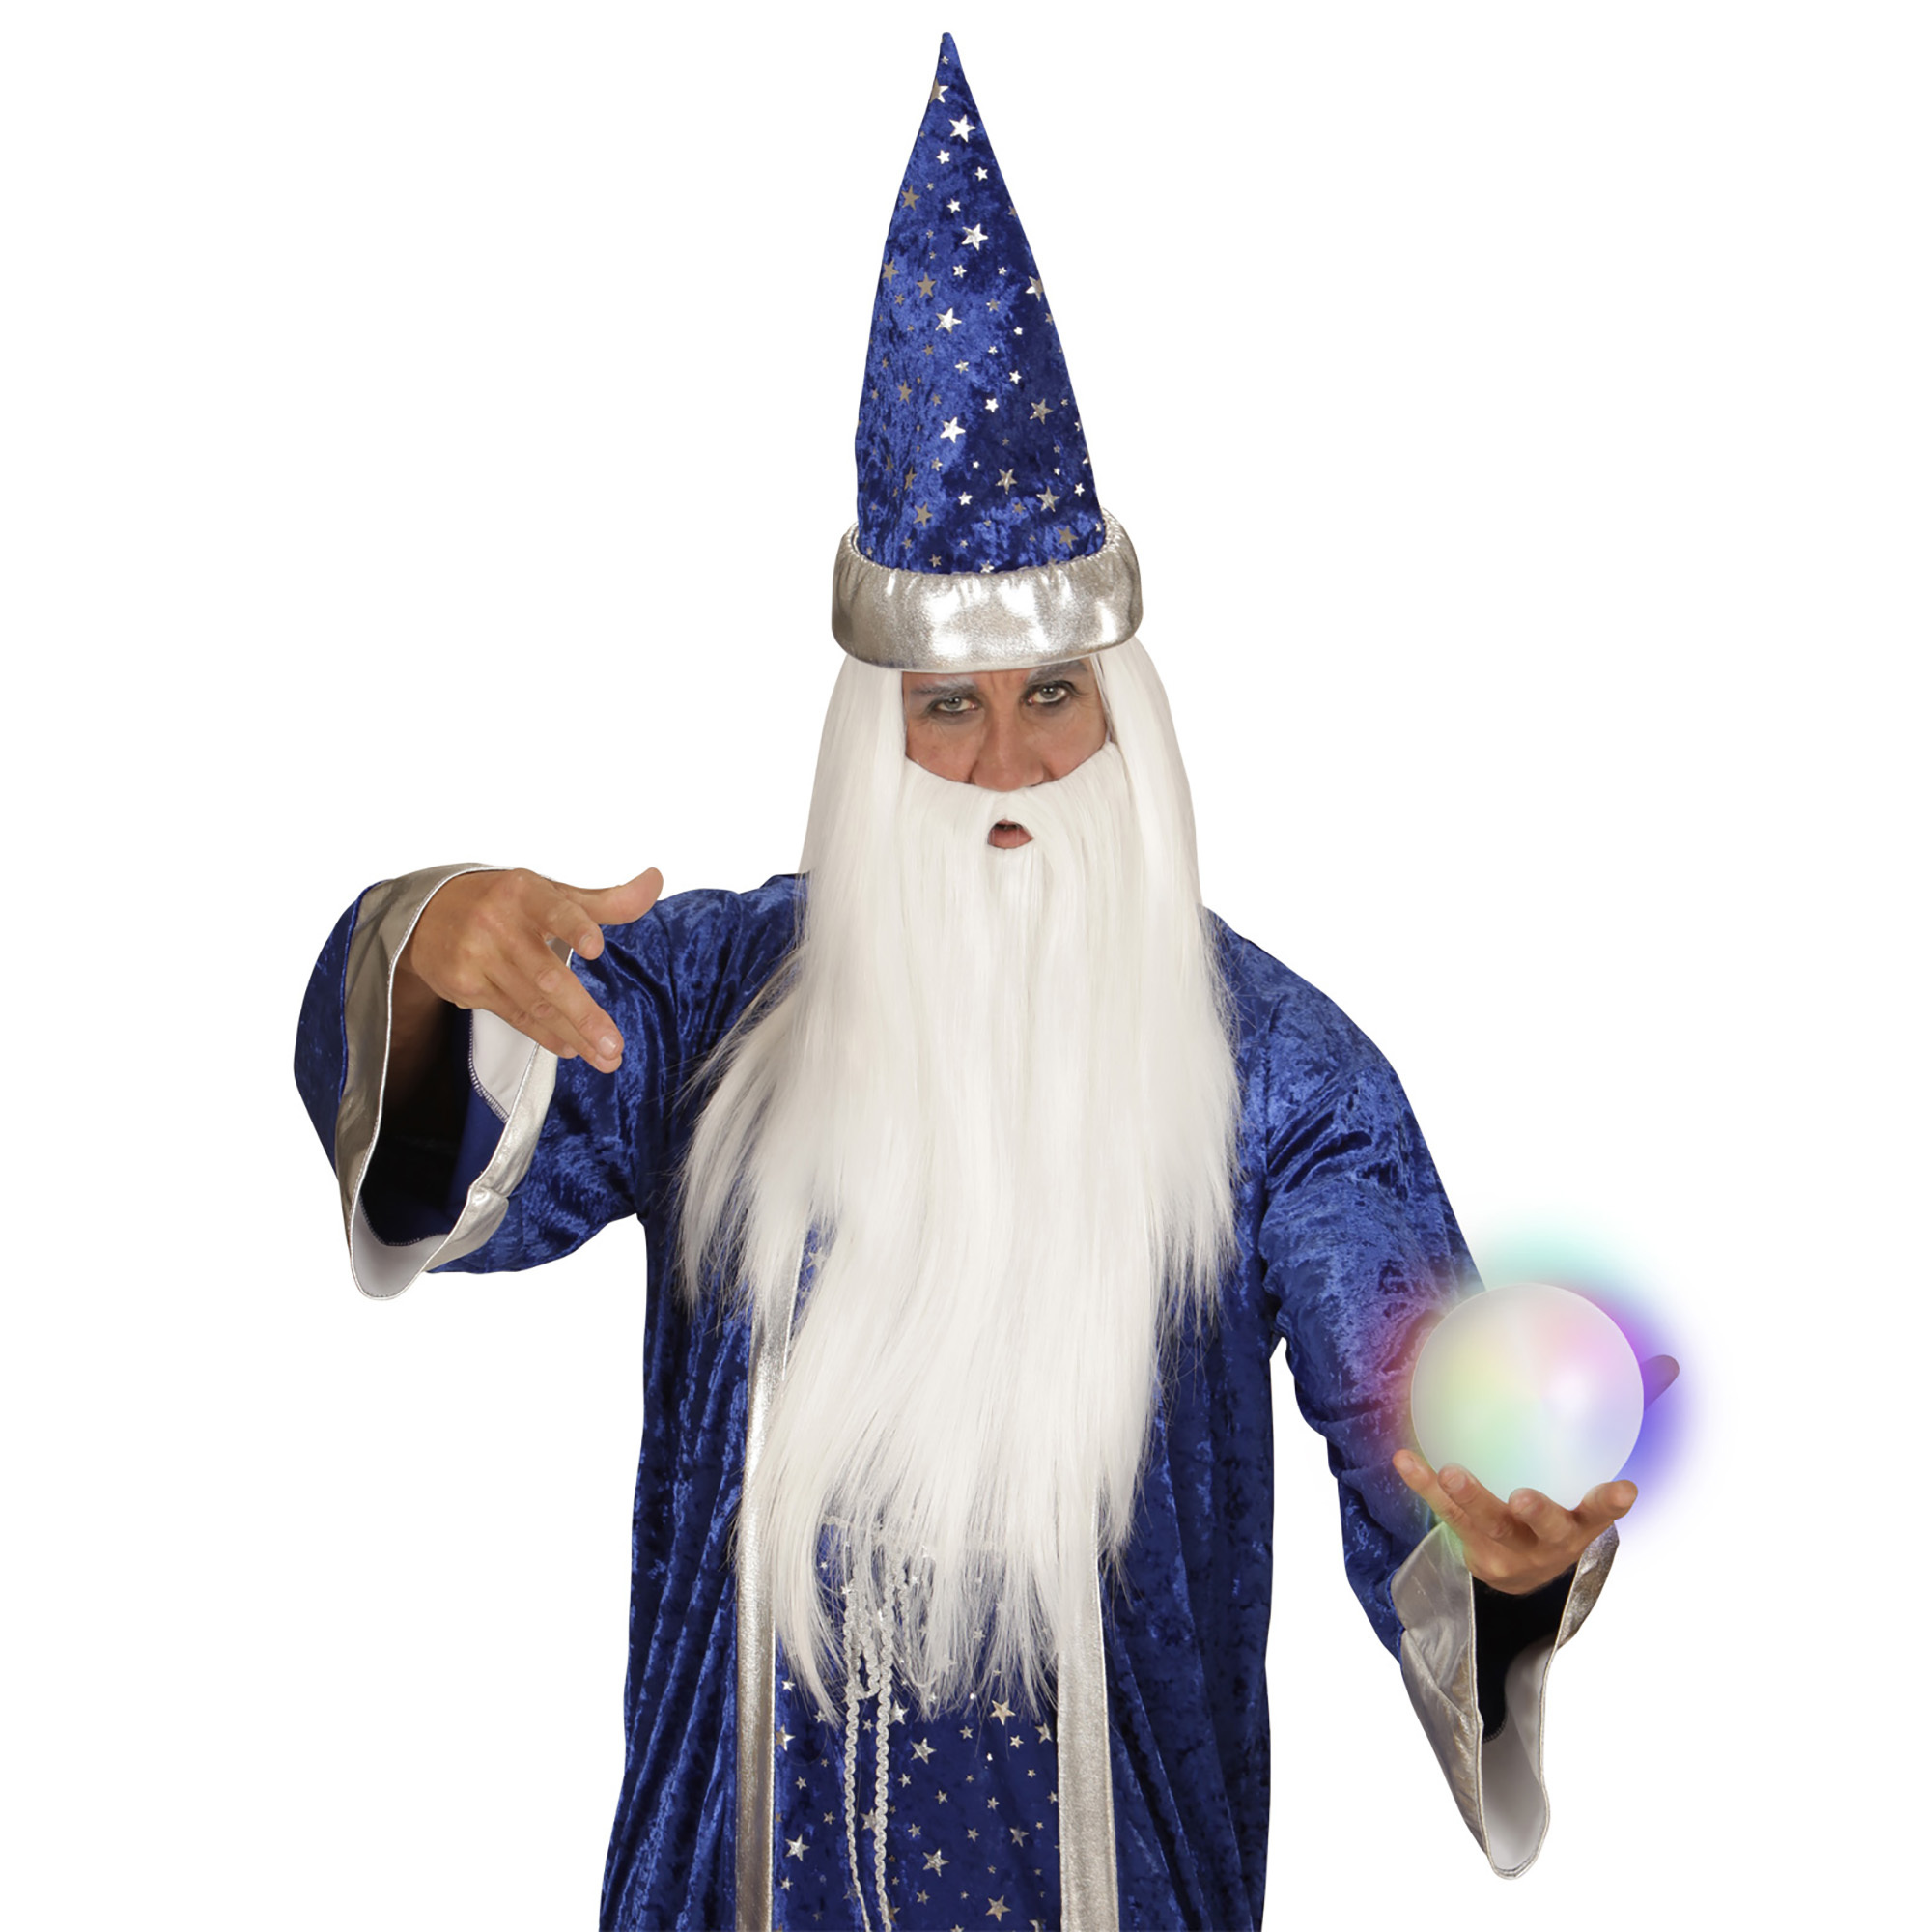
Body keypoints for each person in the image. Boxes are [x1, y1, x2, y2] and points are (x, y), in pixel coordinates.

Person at [294, 36, 1636, 1932]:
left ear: (1128, 719)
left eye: (1052, 697)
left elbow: (1409, 1417)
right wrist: (428, 952)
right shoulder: (710, 1007)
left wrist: (1494, 1562)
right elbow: (460, 1192)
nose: (1008, 768)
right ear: (876, 736)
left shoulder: (1278, 1076)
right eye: (946, 709)